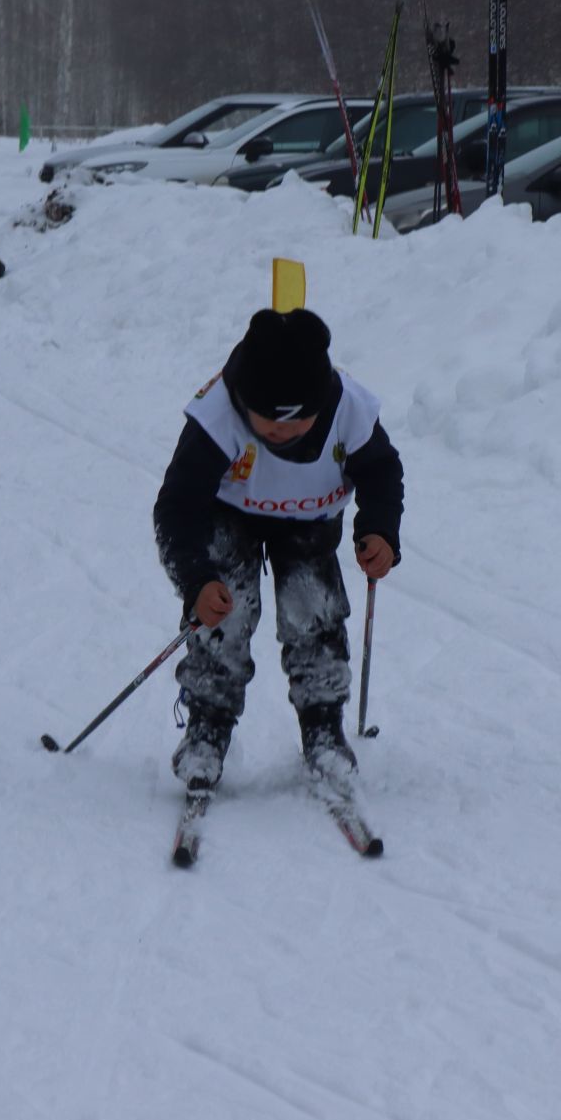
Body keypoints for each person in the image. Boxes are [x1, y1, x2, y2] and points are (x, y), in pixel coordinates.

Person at [153, 308, 404, 791]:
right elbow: (177, 507)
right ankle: (207, 725)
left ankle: (323, 726)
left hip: (311, 516)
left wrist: (380, 530)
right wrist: (195, 580)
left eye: (299, 423)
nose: (283, 434)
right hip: (229, 513)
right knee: (223, 610)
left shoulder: (348, 408)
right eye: (268, 425)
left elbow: (381, 471)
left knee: (315, 611)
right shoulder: (216, 417)